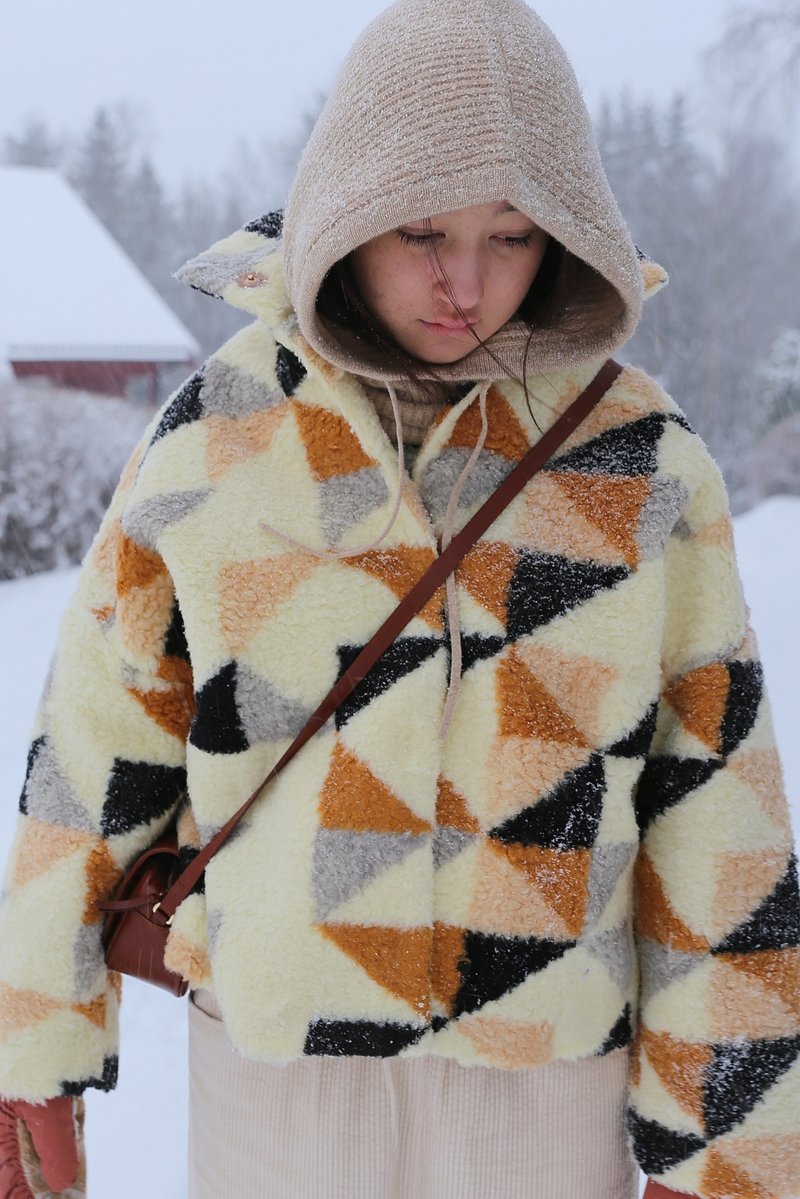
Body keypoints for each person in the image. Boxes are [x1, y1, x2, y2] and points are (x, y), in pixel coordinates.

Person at [0, 0, 798, 1196]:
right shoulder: (219, 437)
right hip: (276, 1089)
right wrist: (33, 1053)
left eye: (513, 233)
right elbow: (94, 758)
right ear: (345, 205)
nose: (462, 281)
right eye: (419, 227)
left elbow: (713, 811)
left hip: (543, 1091)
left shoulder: (636, 460)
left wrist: (725, 1152)